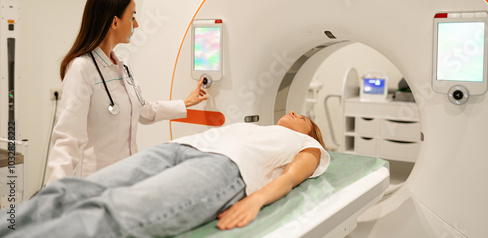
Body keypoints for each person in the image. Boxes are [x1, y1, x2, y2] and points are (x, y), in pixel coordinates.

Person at [0, 111, 329, 237]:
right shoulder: (257, 127)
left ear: (311, 133)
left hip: (224, 169)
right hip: (178, 149)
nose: (297, 113)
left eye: (305, 118)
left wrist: (255, 200)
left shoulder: (307, 146)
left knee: (112, 210)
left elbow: (289, 178)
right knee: (69, 191)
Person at [46, 0, 208, 185]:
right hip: (96, 182)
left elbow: (143, 110)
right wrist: (53, 194)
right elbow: (67, 139)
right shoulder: (82, 68)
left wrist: (184, 103)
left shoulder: (122, 65)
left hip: (129, 176)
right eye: (132, 17)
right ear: (115, 21)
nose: (137, 24)